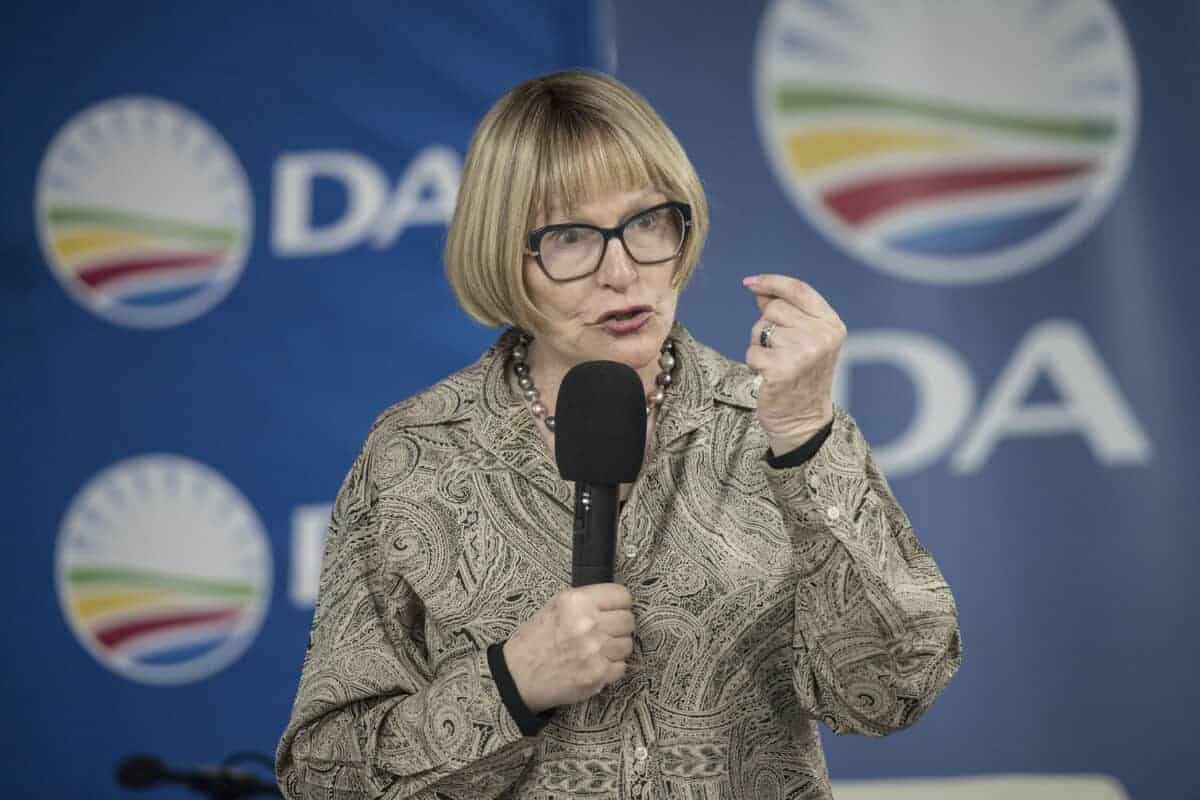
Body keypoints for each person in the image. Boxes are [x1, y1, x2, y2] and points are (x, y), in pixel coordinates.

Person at [276, 70, 961, 800]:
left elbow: (894, 692)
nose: (622, 270)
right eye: (570, 237)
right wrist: (509, 684)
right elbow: (321, 775)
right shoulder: (417, 452)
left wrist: (803, 437)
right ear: (503, 253)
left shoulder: (773, 422)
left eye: (647, 222)